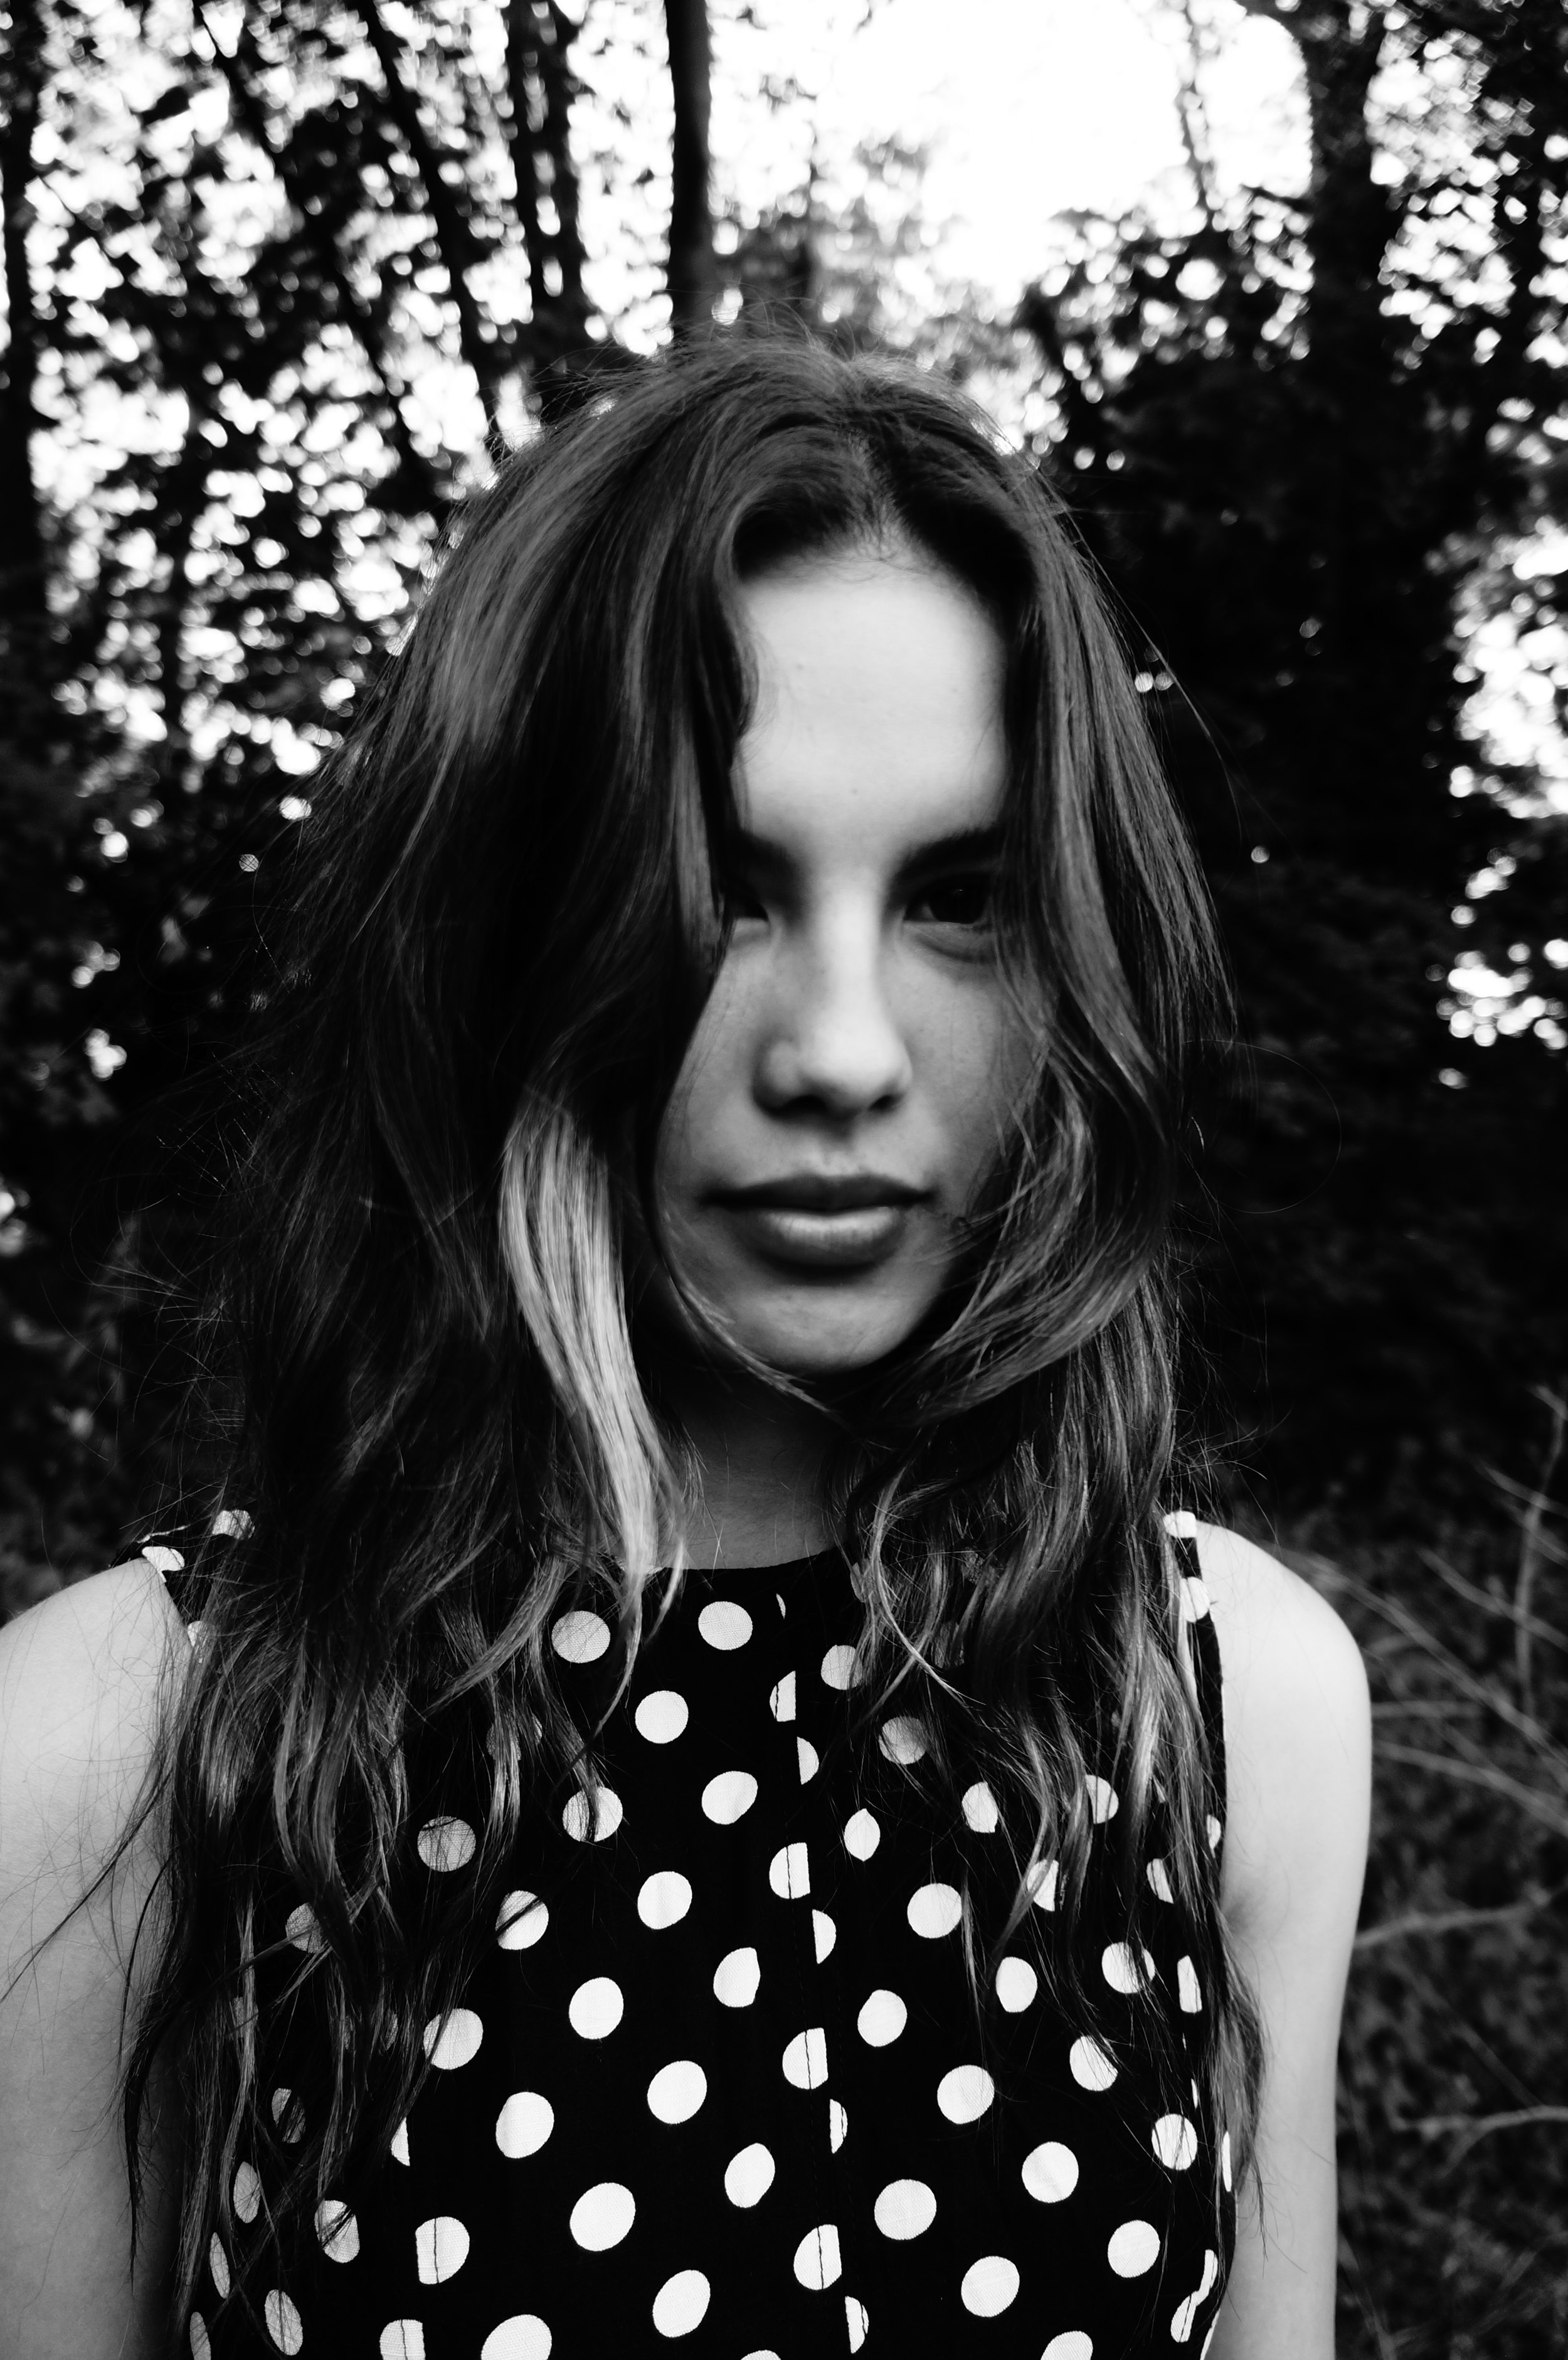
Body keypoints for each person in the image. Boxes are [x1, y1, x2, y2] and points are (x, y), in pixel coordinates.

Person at [0, 339, 1370, 2360]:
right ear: (505, 932)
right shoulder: (114, 1755)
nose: (839, 1050)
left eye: (962, 898)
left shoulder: (1226, 1704)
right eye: (715, 892)